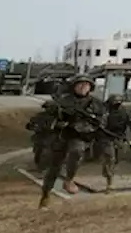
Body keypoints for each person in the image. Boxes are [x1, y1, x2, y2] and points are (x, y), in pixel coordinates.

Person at [38, 75, 105, 208]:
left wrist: (85, 127)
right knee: (53, 168)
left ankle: (69, 179)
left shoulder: (96, 104)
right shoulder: (63, 101)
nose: (83, 87)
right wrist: (58, 122)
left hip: (80, 136)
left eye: (86, 85)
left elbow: (101, 121)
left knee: (77, 151)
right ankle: (46, 194)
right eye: (80, 84)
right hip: (62, 135)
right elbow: (47, 117)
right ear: (74, 86)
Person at [98, 95, 131, 193]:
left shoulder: (123, 112)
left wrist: (126, 139)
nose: (117, 104)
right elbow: (101, 125)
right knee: (110, 158)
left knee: (114, 160)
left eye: (118, 102)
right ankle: (110, 183)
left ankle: (107, 171)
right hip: (106, 138)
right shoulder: (105, 112)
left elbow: (127, 126)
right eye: (115, 101)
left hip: (118, 138)